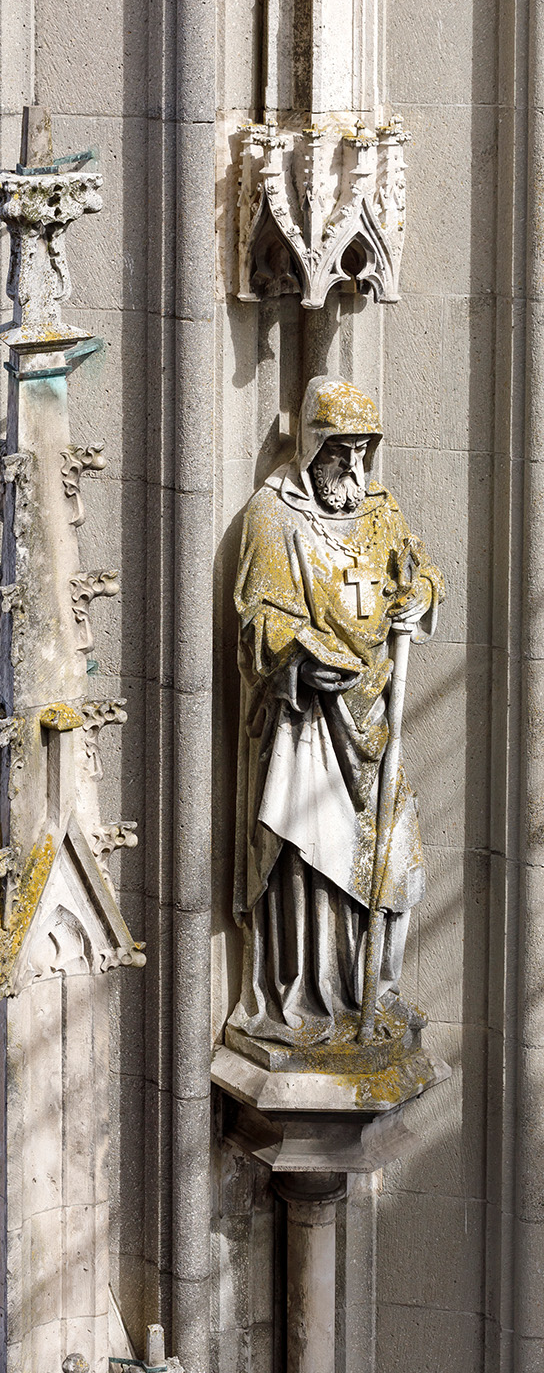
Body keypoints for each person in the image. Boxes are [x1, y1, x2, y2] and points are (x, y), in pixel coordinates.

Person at [229, 375, 445, 1049]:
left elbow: (418, 573)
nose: (353, 469)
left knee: (393, 859)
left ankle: (375, 991)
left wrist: (421, 599)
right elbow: (255, 617)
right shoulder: (275, 514)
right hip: (311, 726)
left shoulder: (381, 510)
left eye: (362, 453)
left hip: (376, 712)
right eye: (338, 453)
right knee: (313, 857)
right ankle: (314, 996)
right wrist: (295, 651)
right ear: (313, 446)